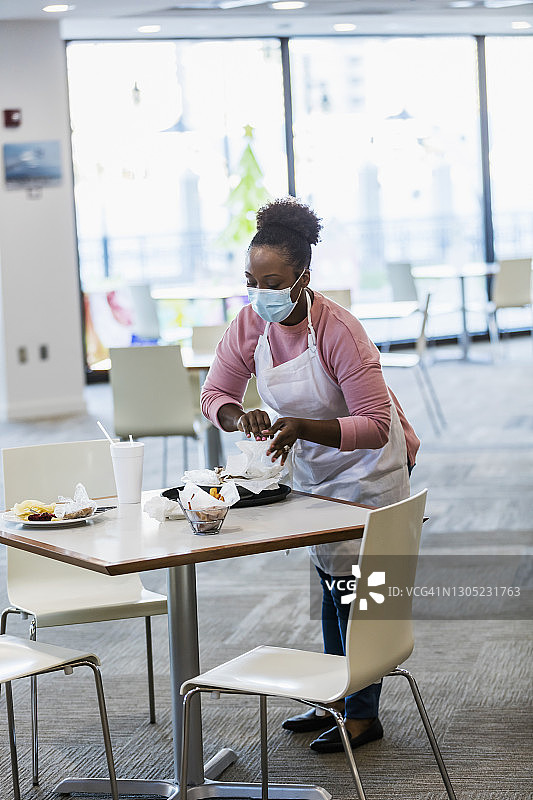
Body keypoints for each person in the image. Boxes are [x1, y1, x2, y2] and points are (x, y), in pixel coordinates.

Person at [201, 197, 420, 754]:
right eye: (251, 282)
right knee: (330, 579)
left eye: (272, 282)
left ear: (303, 276)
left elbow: (375, 425)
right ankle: (335, 696)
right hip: (316, 467)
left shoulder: (340, 330)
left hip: (368, 469)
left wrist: (300, 426)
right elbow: (214, 393)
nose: (260, 293)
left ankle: (362, 713)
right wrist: (239, 416)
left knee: (360, 589)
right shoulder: (251, 323)